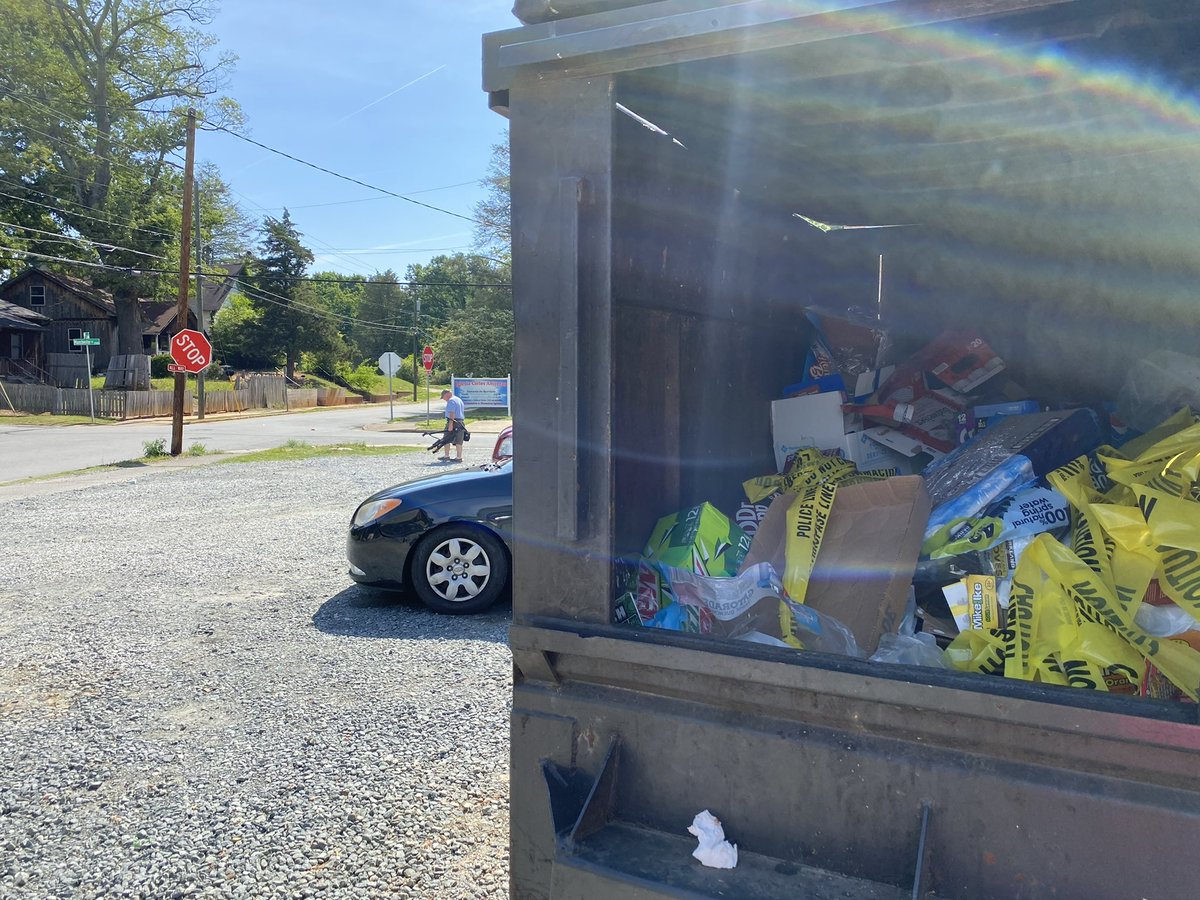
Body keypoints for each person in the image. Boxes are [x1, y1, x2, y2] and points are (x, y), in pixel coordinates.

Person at [440, 388, 465, 462]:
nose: (444, 399)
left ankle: (446, 455)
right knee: (459, 440)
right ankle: (459, 457)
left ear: (446, 394)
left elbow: (452, 413)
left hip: (453, 421)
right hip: (460, 422)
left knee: (446, 439)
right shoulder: (458, 399)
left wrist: (450, 424)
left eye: (443, 397)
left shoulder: (451, 401)